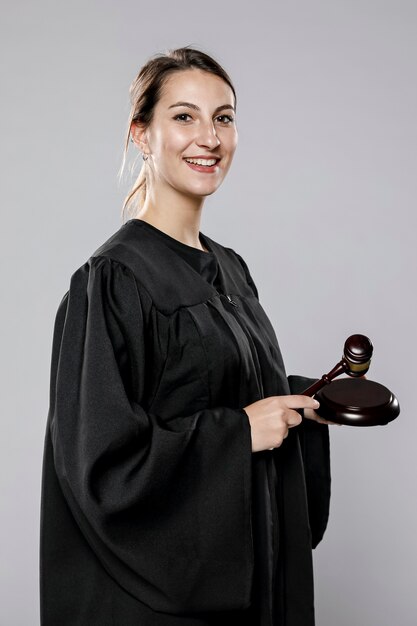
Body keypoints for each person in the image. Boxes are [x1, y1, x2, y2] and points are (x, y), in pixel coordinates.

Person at [40, 46, 334, 626]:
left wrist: (304, 403)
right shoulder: (114, 280)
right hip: (160, 607)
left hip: (248, 588)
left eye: (223, 117)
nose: (209, 137)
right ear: (141, 134)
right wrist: (237, 434)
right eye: (183, 116)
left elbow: (218, 393)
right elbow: (100, 466)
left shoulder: (229, 269)